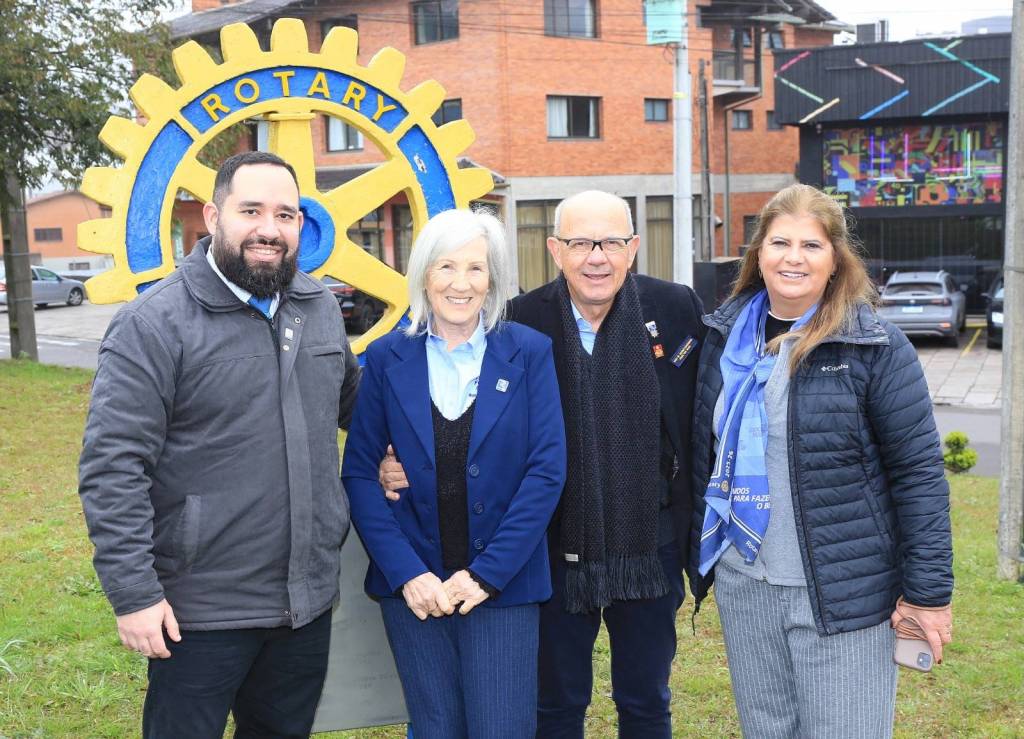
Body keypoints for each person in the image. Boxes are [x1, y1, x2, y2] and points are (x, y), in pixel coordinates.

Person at [382, 191, 706, 738]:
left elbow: (705, 408)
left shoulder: (676, 310)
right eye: (580, 243)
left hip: (649, 544)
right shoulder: (520, 322)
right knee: (554, 703)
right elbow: (468, 421)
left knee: (646, 699)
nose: (596, 258)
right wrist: (395, 460)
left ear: (633, 247)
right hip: (553, 546)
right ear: (555, 250)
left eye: (611, 243)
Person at [78, 151, 361, 738]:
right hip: (200, 609)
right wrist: (134, 595)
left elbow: (359, 410)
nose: (269, 229)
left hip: (304, 601)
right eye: (250, 210)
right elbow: (113, 468)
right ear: (213, 216)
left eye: (285, 214)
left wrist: (394, 457)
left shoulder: (319, 308)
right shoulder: (154, 323)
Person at [690, 183, 954, 738]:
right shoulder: (720, 339)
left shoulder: (874, 347)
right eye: (780, 242)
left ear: (836, 260)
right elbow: (702, 456)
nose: (794, 258)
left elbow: (919, 476)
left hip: (843, 592)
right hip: (746, 584)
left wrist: (928, 595)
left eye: (811, 245)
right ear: (758, 254)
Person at [342, 208, 566, 739]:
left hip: (502, 587)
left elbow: (546, 472)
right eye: (446, 266)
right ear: (424, 275)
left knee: (502, 729)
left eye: (475, 268)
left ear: (493, 279)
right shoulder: (387, 357)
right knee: (434, 728)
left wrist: (486, 574)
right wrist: (408, 574)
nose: (460, 284)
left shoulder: (529, 353)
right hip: (415, 589)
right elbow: (360, 475)